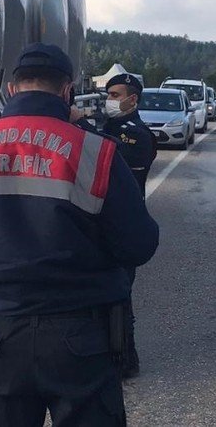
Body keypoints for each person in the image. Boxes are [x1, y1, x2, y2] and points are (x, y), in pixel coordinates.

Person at [0, 43, 159, 426]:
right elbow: (138, 244)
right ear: (67, 91)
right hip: (80, 339)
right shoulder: (95, 152)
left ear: (12, 90)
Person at [77, 72, 156, 378]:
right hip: (102, 220)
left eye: (115, 95)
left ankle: (126, 360)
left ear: (132, 99)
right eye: (108, 94)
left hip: (122, 221)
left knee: (119, 293)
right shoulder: (110, 125)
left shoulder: (135, 133)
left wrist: (81, 125)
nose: (110, 101)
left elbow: (108, 155)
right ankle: (107, 352)